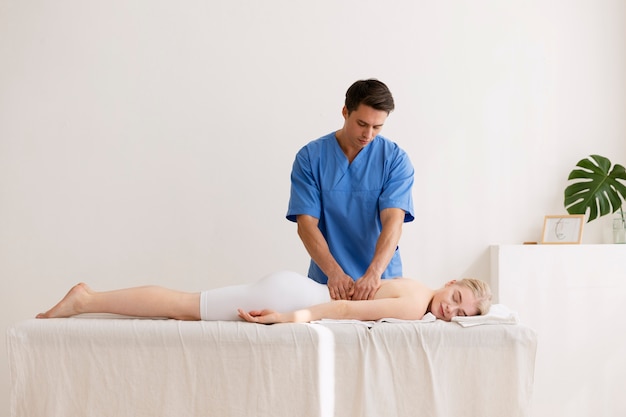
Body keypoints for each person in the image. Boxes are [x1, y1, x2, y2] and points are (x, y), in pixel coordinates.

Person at [287, 79, 415, 302]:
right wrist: (334, 273)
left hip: (381, 280)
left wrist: (374, 274)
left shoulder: (394, 160)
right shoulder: (310, 158)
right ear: (345, 112)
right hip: (328, 280)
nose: (368, 134)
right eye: (362, 124)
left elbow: (393, 222)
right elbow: (306, 226)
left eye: (377, 127)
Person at [36, 271, 492, 324]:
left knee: (185, 306)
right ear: (451, 282)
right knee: (182, 306)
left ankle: (89, 299)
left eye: (461, 313)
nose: (451, 310)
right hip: (292, 295)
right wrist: (289, 319)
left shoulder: (420, 286)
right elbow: (344, 309)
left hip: (295, 288)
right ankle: (86, 299)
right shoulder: (415, 306)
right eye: (456, 298)